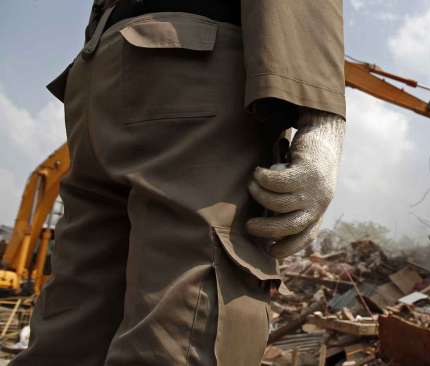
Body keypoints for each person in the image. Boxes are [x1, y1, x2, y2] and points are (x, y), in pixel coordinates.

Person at [10, 1, 345, 365]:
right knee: (176, 333)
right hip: (192, 64)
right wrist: (321, 114)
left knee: (73, 325)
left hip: (100, 72)